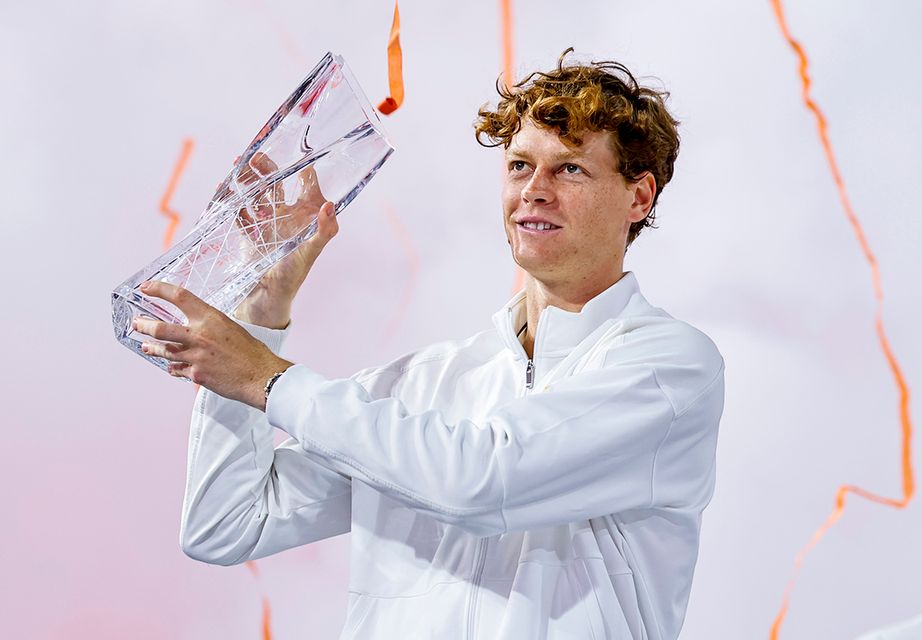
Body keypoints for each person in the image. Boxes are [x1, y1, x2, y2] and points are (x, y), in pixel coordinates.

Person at [134, 48, 725, 640]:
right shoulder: (420, 382)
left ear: (639, 198)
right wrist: (262, 313)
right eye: (520, 165)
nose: (534, 191)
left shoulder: (669, 367)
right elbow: (226, 525)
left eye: (569, 169)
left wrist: (267, 378)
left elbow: (482, 482)